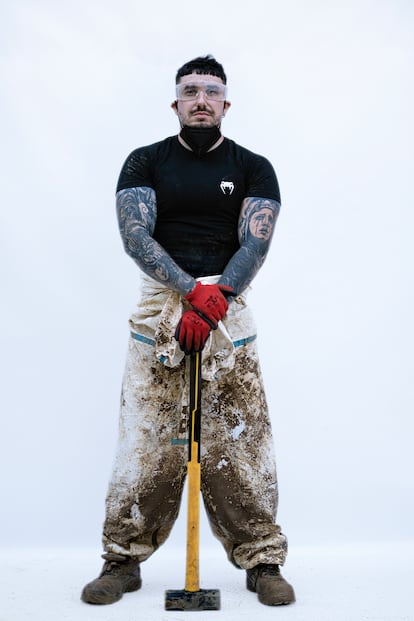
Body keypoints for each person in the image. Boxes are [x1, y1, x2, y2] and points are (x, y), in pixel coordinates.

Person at [81, 55, 295, 607]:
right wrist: (187, 292)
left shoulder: (254, 167)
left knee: (239, 435)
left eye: (212, 91)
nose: (201, 99)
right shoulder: (145, 163)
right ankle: (122, 558)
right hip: (161, 304)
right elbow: (136, 237)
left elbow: (256, 243)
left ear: (227, 103)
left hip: (227, 303)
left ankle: (261, 559)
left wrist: (215, 299)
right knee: (148, 435)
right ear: (174, 102)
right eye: (190, 90)